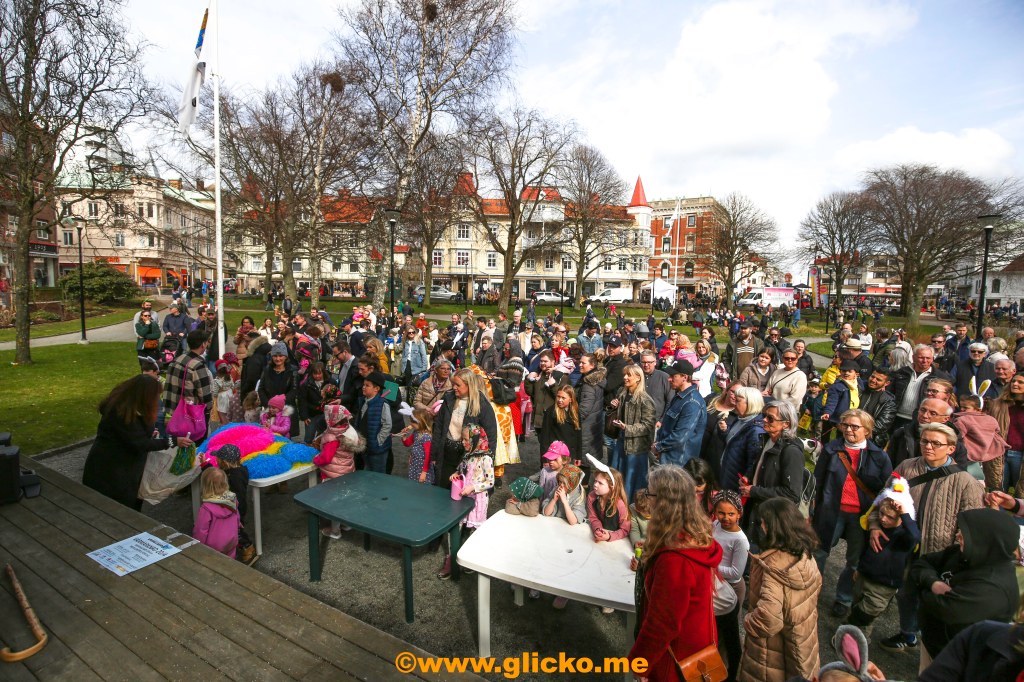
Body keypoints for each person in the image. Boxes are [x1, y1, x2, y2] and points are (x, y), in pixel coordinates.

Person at [871, 423, 984, 654]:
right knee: (905, 593)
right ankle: (908, 634)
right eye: (924, 441)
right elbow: (883, 497)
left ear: (951, 448)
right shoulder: (906, 466)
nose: (928, 446)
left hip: (938, 554)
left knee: (933, 602)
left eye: (935, 443)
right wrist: (874, 524)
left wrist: (955, 558)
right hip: (904, 546)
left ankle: (933, 648)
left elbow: (972, 527)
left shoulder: (966, 482)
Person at [629, 465, 722, 681]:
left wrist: (640, 663)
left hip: (675, 659)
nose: (647, 498)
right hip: (693, 647)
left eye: (650, 493)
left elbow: (662, 623)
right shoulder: (692, 537)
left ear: (664, 503)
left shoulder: (675, 559)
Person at [908, 508, 1020, 667]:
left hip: (956, 664)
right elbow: (921, 563)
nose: (958, 535)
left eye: (967, 533)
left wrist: (923, 587)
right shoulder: (962, 552)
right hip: (933, 645)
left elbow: (943, 609)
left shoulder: (994, 588)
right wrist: (934, 583)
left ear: (985, 539)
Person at [812, 409, 892, 618]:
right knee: (819, 552)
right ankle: (811, 591)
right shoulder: (831, 450)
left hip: (861, 516)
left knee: (854, 561)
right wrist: (813, 510)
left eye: (854, 426)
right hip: (831, 511)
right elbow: (817, 482)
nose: (848, 430)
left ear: (867, 430)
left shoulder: (879, 456)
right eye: (845, 425)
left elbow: (885, 490)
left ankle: (843, 598)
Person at [738, 497, 821, 682]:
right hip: (803, 644)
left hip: (771, 657)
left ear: (772, 527)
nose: (760, 526)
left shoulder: (773, 567)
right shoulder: (805, 555)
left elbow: (768, 620)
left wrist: (748, 620)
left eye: (763, 523)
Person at [83, 375, 194, 510]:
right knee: (117, 509)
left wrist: (148, 434)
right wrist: (172, 441)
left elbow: (135, 436)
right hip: (111, 472)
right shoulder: (121, 414)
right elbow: (140, 444)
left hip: (121, 469)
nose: (157, 400)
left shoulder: (128, 409)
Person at [848, 478, 920, 636]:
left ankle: (850, 631)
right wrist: (859, 568)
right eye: (881, 513)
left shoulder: (904, 536)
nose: (883, 519)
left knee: (865, 614)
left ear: (901, 518)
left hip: (883, 586)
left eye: (890, 517)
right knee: (857, 608)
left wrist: (904, 513)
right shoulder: (878, 528)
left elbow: (915, 537)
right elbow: (866, 550)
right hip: (864, 577)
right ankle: (855, 639)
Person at [741, 401, 807, 545]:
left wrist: (754, 491)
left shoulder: (791, 452)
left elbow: (791, 494)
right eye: (764, 415)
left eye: (770, 418)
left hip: (772, 518)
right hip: (756, 509)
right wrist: (748, 476)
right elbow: (761, 464)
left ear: (786, 424)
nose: (764, 420)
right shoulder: (768, 440)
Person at [431, 368, 498, 488]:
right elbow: (439, 427)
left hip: (468, 457)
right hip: (446, 454)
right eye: (453, 384)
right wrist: (434, 454)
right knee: (442, 489)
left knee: (461, 493)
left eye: (458, 385)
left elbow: (491, 437)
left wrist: (486, 462)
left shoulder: (482, 404)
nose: (454, 387)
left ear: (469, 385)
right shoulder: (448, 398)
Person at [712, 490, 749, 682]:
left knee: (730, 634)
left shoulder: (740, 540)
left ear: (739, 514)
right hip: (716, 584)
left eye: (731, 514)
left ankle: (731, 672)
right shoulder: (715, 525)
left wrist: (710, 565)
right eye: (721, 513)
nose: (726, 518)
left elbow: (736, 572)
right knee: (716, 631)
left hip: (732, 589)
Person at [609, 364, 656, 502]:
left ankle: (631, 508)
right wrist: (613, 407)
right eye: (625, 374)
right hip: (621, 443)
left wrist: (627, 428)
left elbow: (648, 426)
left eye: (629, 375)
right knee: (617, 477)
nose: (625, 377)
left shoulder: (645, 400)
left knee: (632, 483)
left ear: (638, 378)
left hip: (636, 449)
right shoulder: (622, 394)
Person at [652, 360, 706, 467]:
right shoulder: (679, 397)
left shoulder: (692, 403)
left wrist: (658, 447)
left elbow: (681, 436)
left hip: (678, 462)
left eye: (673, 376)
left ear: (684, 377)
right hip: (667, 456)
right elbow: (666, 426)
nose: (669, 379)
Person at [161, 329, 214, 438]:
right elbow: (205, 394)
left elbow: (168, 385)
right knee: (195, 444)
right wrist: (208, 409)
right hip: (191, 415)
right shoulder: (198, 365)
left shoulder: (177, 360)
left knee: (178, 443)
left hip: (175, 411)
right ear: (203, 344)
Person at [719, 387, 766, 492]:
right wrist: (724, 431)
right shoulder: (740, 419)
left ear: (751, 403)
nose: (734, 403)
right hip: (726, 475)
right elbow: (731, 443)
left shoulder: (755, 430)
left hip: (736, 484)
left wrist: (745, 480)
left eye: (738, 400)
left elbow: (753, 463)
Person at [192, 467, 241, 558]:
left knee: (213, 563)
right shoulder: (231, 499)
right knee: (230, 560)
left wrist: (198, 546)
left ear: (205, 486)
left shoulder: (206, 508)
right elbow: (237, 516)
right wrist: (238, 527)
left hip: (214, 546)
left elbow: (200, 530)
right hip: (232, 539)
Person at [988, 373, 1024, 493]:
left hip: (1020, 456)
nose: (1015, 384)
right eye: (1013, 381)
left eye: (1020, 382)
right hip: (1001, 453)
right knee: (997, 492)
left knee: (1021, 494)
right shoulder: (998, 404)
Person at [576, 353, 607, 462]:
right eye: (580, 362)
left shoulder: (588, 385)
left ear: (592, 366)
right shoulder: (593, 380)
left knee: (583, 461)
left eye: (583, 363)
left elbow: (583, 410)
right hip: (593, 426)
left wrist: (573, 421)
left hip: (585, 428)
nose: (580, 365)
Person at [358, 371, 392, 472]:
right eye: (363, 385)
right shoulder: (363, 401)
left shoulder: (383, 404)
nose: (363, 387)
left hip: (378, 450)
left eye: (367, 385)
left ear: (376, 389)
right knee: (367, 471)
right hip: (366, 447)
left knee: (377, 475)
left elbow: (387, 425)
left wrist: (378, 442)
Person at [539, 385, 582, 463]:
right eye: (558, 397)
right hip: (557, 455)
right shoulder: (551, 412)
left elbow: (578, 435)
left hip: (571, 454)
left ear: (570, 399)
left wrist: (578, 456)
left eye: (563, 398)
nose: (560, 400)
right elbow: (545, 437)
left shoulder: (575, 412)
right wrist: (545, 460)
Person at [400, 408, 435, 485]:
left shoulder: (426, 437)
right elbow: (407, 443)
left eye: (413, 422)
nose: (411, 423)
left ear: (421, 423)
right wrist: (404, 435)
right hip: (414, 464)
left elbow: (428, 456)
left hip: (422, 467)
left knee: (422, 485)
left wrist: (424, 472)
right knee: (413, 484)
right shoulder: (416, 432)